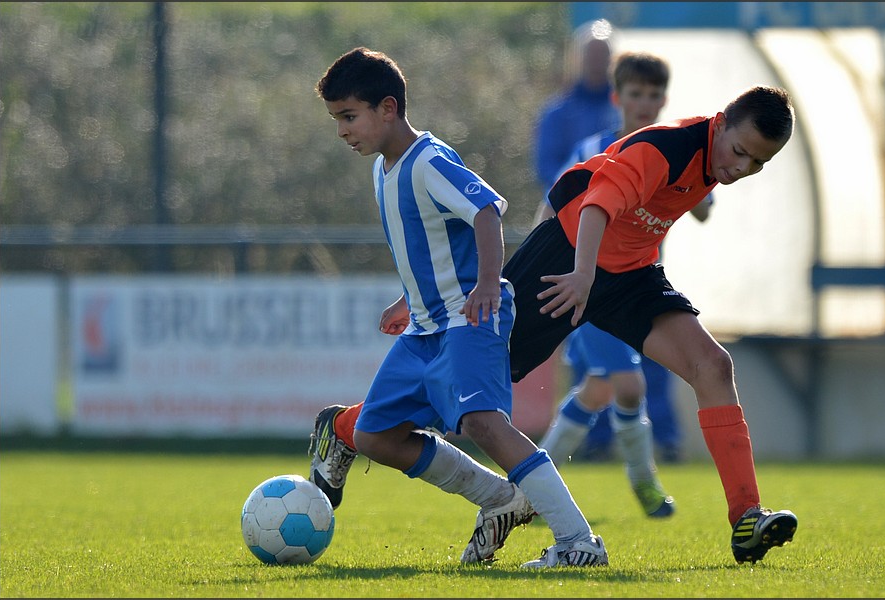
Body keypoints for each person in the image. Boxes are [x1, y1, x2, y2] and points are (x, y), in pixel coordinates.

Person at [310, 83, 799, 566]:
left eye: (758, 163)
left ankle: (747, 517)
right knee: (468, 390)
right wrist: (583, 275)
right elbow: (596, 203)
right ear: (721, 122)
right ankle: (351, 426)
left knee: (713, 366)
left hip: (630, 275)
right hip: (563, 261)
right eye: (740, 152)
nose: (742, 169)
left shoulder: (712, 161)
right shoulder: (666, 147)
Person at [312, 46, 607, 569]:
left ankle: (578, 541)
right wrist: (409, 298)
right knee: (373, 436)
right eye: (337, 119)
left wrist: (489, 285)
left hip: (469, 317)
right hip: (425, 324)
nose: (342, 130)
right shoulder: (382, 169)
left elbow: (487, 211)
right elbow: (429, 243)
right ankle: (499, 498)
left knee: (484, 424)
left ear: (387, 108)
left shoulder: (428, 160)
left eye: (348, 116)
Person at [537, 52, 714, 514]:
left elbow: (702, 204)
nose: (645, 103)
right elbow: (555, 204)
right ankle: (644, 482)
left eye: (654, 95)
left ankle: (530, 492)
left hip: (636, 287)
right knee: (629, 385)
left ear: (663, 100)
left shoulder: (674, 151)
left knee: (599, 390)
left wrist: (697, 196)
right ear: (618, 97)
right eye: (636, 94)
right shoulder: (594, 151)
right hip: (593, 287)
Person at [533, 19, 621, 196]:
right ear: (578, 59)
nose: (597, 62)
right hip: (568, 205)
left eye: (603, 55)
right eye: (591, 55)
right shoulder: (557, 112)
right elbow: (546, 166)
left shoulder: (624, 108)